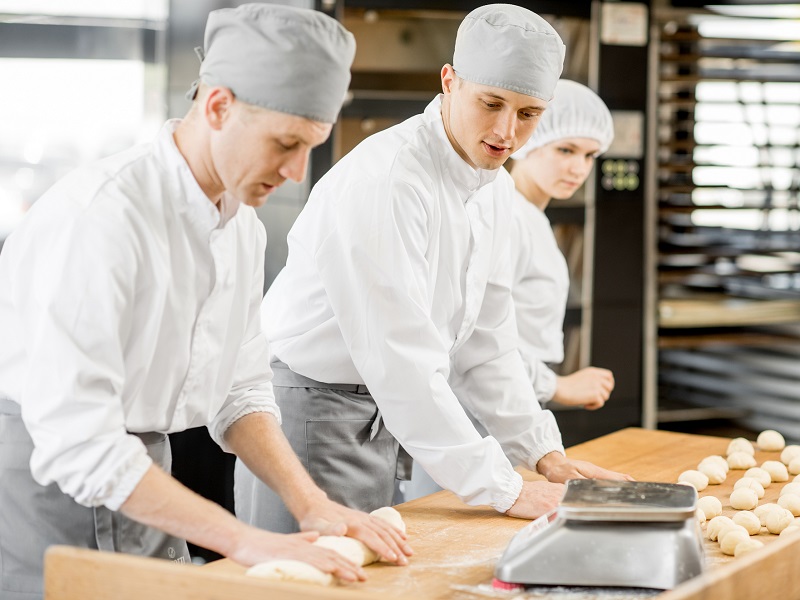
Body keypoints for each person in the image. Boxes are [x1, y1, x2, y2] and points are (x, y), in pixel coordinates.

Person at [0, 6, 411, 599]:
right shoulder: (101, 220)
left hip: (147, 477)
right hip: (55, 488)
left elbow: (241, 389)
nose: (296, 173)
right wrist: (244, 540)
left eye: (311, 147)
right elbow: (81, 441)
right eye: (286, 144)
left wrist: (314, 505)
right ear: (218, 106)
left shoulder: (240, 226)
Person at [234, 4, 631, 536]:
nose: (506, 130)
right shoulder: (388, 181)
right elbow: (400, 359)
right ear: (449, 81)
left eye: (529, 113)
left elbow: (487, 344)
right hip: (312, 414)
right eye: (491, 103)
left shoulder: (492, 189)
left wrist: (542, 452)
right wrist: (503, 486)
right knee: (308, 583)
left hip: (383, 412)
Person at [509, 79, 616, 411]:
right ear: (526, 139)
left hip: (516, 397)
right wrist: (557, 385)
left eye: (589, 155)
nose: (579, 168)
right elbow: (474, 342)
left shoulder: (529, 217)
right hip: (484, 408)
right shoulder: (507, 218)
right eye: (565, 150)